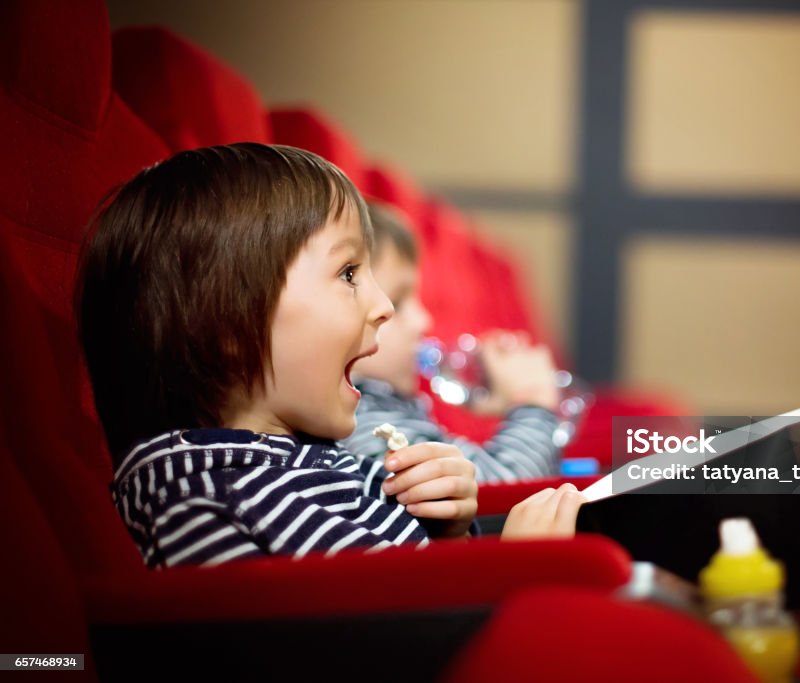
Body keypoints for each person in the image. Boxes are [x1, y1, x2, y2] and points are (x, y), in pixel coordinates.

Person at [76, 143, 585, 568]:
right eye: (348, 275)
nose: (383, 307)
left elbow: (399, 583)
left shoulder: (311, 460)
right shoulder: (200, 495)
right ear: (230, 325)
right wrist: (510, 570)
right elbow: (350, 639)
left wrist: (449, 534)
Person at [342, 202, 563, 482]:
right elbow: (497, 493)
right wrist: (533, 401)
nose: (424, 321)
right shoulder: (367, 425)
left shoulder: (386, 410)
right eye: (397, 302)